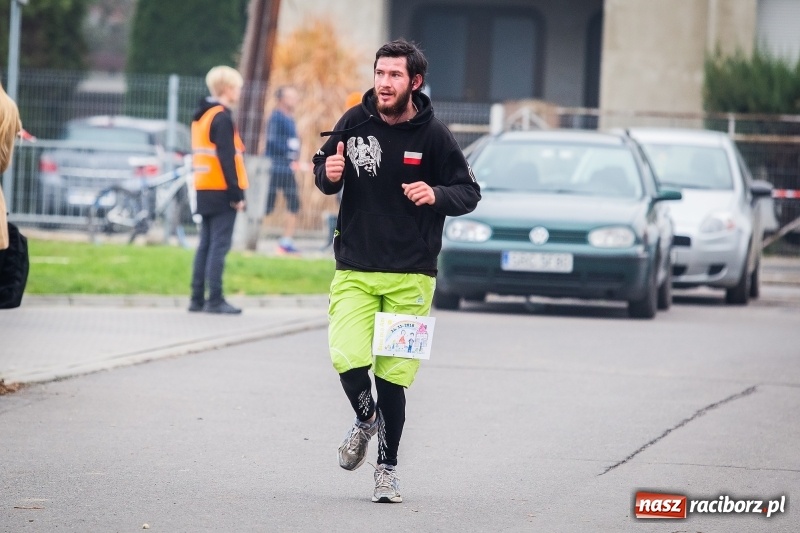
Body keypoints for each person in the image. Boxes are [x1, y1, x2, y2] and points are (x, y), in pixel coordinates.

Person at [312, 39, 481, 503]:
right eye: (379, 74)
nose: (384, 84)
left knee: (393, 380)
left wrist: (437, 195)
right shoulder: (353, 121)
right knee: (347, 360)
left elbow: (469, 191)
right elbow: (324, 174)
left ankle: (386, 469)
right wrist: (329, 173)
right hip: (355, 270)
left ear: (415, 82)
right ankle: (365, 421)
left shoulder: (435, 137)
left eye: (394, 76)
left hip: (412, 277)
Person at [189, 66, 248, 315]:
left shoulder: (202, 115)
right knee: (218, 246)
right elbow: (227, 158)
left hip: (203, 187)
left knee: (205, 244)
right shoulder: (222, 117)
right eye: (236, 87)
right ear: (226, 89)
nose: (238, 92)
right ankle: (215, 299)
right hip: (222, 189)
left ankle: (196, 298)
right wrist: (237, 195)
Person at [264, 85, 301, 254]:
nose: (294, 100)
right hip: (275, 166)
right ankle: (250, 236)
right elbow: (271, 141)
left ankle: (286, 242)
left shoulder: (290, 119)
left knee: (294, 202)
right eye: (290, 96)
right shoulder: (276, 117)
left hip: (287, 168)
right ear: (281, 99)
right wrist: (288, 148)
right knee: (267, 205)